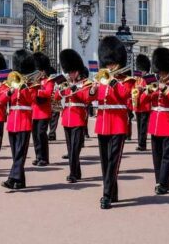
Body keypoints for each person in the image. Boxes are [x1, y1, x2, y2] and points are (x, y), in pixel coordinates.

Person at [93, 36, 136, 210]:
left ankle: (106, 195)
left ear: (118, 62)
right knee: (104, 161)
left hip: (118, 122)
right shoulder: (102, 79)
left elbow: (125, 95)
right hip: (103, 122)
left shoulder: (127, 80)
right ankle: (113, 192)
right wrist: (93, 90)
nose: (109, 67)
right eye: (108, 63)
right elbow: (92, 97)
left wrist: (113, 82)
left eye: (112, 64)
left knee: (113, 161)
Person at [145, 48, 169, 195]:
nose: (160, 75)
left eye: (163, 72)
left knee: (167, 156)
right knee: (156, 156)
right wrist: (148, 91)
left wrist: (166, 90)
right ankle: (158, 181)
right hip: (155, 125)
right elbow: (142, 102)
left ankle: (163, 183)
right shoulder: (154, 86)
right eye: (159, 72)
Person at [2, 50, 36, 190]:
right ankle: (20, 181)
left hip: (23, 120)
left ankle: (12, 178)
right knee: (16, 153)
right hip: (12, 121)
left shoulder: (32, 83)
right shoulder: (11, 82)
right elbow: (1, 100)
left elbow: (31, 100)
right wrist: (8, 92)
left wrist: (24, 88)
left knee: (20, 153)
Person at [57, 49, 92, 183]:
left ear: (78, 71)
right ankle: (77, 172)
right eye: (69, 72)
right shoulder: (66, 84)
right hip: (67, 119)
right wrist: (62, 91)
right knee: (70, 148)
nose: (71, 74)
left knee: (75, 149)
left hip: (78, 119)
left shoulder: (85, 83)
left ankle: (72, 173)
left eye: (73, 71)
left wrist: (75, 91)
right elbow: (56, 96)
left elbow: (86, 98)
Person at [31, 52, 54, 167]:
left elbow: (48, 93)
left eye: (40, 70)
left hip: (44, 112)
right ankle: (38, 156)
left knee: (41, 134)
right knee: (35, 135)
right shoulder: (35, 81)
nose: (39, 72)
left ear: (44, 70)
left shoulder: (49, 81)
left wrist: (38, 89)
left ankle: (44, 158)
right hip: (34, 111)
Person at [132, 54, 151, 151]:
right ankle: (140, 142)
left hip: (146, 106)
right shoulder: (137, 79)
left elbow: (152, 90)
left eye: (142, 70)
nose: (141, 72)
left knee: (143, 126)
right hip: (138, 105)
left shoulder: (149, 79)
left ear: (146, 70)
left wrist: (143, 89)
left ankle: (142, 144)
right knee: (139, 126)